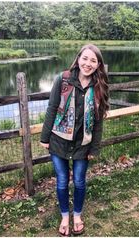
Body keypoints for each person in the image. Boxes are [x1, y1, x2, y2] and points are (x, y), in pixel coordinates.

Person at [40, 44, 109, 236]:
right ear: (78, 58)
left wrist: (94, 149)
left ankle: (77, 215)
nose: (88, 63)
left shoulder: (100, 87)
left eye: (93, 60)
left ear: (98, 65)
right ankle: (64, 217)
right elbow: (52, 108)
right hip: (59, 140)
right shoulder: (62, 80)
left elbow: (98, 122)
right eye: (85, 58)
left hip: (83, 145)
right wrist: (45, 137)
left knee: (79, 181)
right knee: (62, 181)